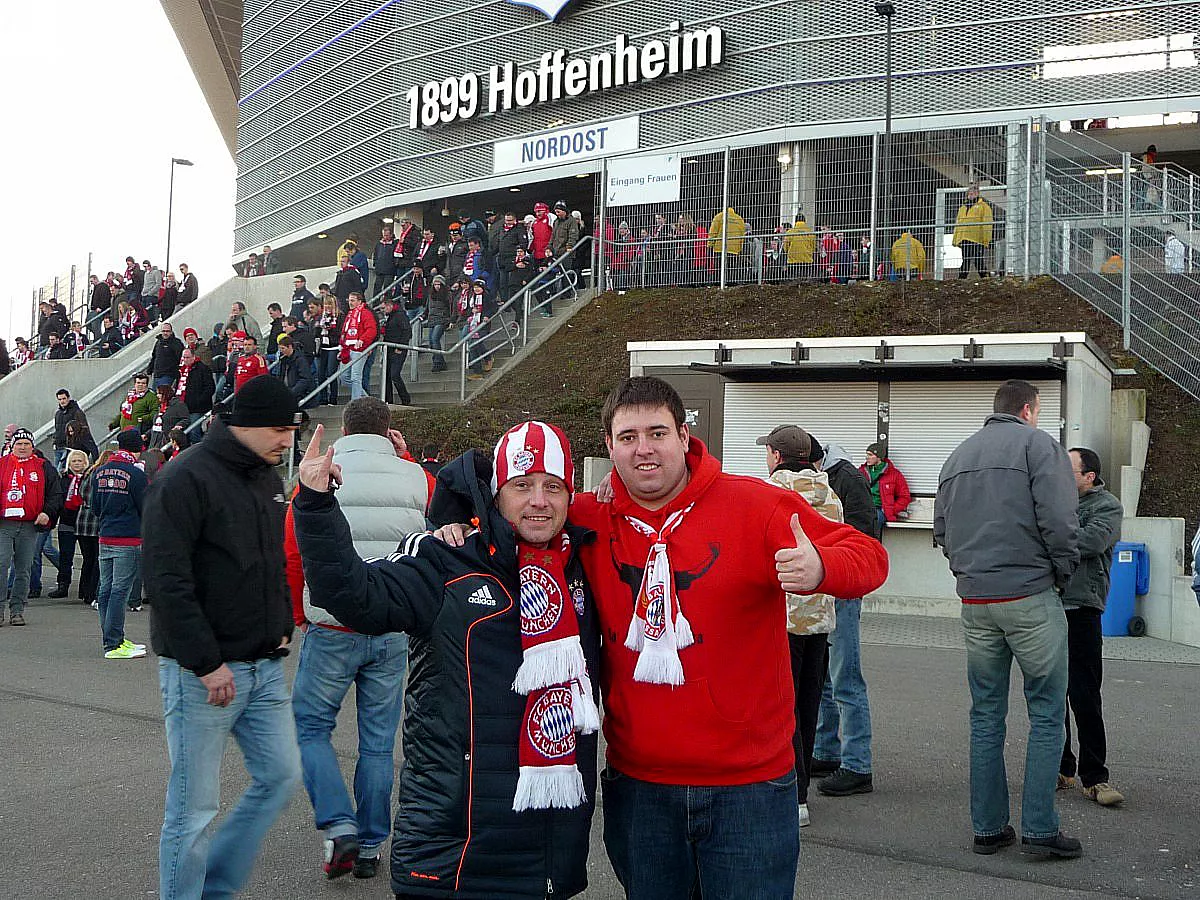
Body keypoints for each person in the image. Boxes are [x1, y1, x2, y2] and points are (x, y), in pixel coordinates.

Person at [569, 376, 888, 898]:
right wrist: (446, 519)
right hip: (641, 788)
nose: (644, 449)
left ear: (684, 436)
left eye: (657, 433)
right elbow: (511, 511)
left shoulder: (754, 505)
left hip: (750, 790)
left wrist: (821, 565)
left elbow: (870, 557)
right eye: (628, 437)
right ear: (609, 446)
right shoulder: (589, 517)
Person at [292, 419, 601, 898]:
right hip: (451, 850)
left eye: (553, 487)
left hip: (546, 853)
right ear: (496, 493)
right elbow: (355, 596)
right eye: (523, 485)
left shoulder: (588, 565)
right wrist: (315, 505)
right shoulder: (445, 559)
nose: (539, 500)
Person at [144, 375, 304, 900]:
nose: (287, 440)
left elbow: (271, 561)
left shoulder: (264, 477)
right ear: (244, 424)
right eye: (280, 430)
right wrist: (205, 662)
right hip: (204, 676)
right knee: (193, 808)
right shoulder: (183, 478)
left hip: (263, 666)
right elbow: (166, 580)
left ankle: (214, 886)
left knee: (281, 776)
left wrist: (282, 621)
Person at [934, 379, 1082, 858]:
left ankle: (989, 828)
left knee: (985, 714)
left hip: (976, 601)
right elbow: (1060, 520)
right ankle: (1039, 830)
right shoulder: (1041, 446)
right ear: (1029, 409)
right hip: (1030, 595)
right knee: (1045, 713)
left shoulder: (957, 455)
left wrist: (968, 575)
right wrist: (1061, 573)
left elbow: (942, 530)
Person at [285, 398, 430, 879]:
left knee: (310, 729)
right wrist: (406, 459)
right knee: (377, 742)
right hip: (391, 625)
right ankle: (370, 845)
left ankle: (338, 823)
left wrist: (299, 615)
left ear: (345, 428)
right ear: (389, 432)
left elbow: (294, 547)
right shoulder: (415, 477)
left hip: (331, 625)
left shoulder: (320, 471)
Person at [759, 425, 842, 829]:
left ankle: (786, 791)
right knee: (808, 705)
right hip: (820, 617)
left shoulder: (771, 493)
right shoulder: (830, 494)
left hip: (782, 617)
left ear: (776, 455)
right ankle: (802, 795)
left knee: (780, 707)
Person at [1059, 447, 1125, 807]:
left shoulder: (1107, 506)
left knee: (1084, 694)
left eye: (1068, 470)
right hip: (1050, 604)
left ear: (1089, 476)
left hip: (1082, 607)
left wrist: (1053, 536)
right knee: (1051, 693)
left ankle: (1095, 777)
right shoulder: (1053, 501)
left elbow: (1092, 541)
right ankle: (1061, 767)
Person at [91, 429, 149, 658]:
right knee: (119, 590)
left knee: (106, 588)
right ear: (137, 449)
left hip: (105, 535)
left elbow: (95, 506)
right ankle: (113, 643)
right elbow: (145, 505)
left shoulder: (100, 471)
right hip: (128, 537)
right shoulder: (135, 474)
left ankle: (112, 638)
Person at [0, 429, 63, 626]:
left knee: (24, 569)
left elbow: (56, 494)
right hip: (5, 524)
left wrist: (47, 512)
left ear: (32, 446)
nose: (22, 448)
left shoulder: (43, 467)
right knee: (1, 566)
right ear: (12, 445)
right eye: (19, 444)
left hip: (29, 526)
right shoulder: (2, 465)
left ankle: (17, 610)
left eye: (26, 444)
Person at [860, 441, 912, 534]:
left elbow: (904, 496)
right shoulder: (860, 472)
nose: (867, 457)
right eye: (866, 454)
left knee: (873, 524)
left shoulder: (894, 474)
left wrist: (890, 510)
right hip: (863, 508)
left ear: (879, 457)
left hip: (879, 510)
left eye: (870, 455)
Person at [339, 291, 377, 401]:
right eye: (349, 300)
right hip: (347, 349)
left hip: (359, 349)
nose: (350, 303)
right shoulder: (350, 314)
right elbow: (344, 332)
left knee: (356, 377)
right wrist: (341, 346)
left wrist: (363, 340)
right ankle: (367, 399)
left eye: (353, 300)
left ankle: (355, 402)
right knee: (343, 377)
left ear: (359, 301)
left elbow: (372, 329)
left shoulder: (365, 313)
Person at [377, 295, 412, 405]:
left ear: (390, 306)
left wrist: (400, 347)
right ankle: (388, 400)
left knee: (394, 374)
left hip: (397, 349)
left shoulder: (400, 315)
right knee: (387, 375)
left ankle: (405, 398)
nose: (382, 311)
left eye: (384, 308)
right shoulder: (390, 317)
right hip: (389, 348)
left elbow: (407, 331)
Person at [953, 185, 993, 279]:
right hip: (965, 238)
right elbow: (958, 223)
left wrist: (986, 239)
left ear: (977, 194)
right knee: (966, 259)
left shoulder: (984, 207)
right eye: (969, 194)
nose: (970, 195)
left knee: (978, 260)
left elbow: (987, 223)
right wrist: (956, 239)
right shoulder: (963, 208)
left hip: (977, 238)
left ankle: (984, 277)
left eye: (973, 193)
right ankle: (963, 278)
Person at [177, 348, 215, 436]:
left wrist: (198, 401)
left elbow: (210, 388)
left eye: (187, 357)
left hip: (198, 409)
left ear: (193, 357)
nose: (185, 360)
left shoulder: (203, 369)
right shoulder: (181, 370)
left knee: (194, 432)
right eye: (184, 357)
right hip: (183, 408)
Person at [54, 389, 96, 468]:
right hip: (58, 446)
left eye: (64, 398)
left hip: (70, 448)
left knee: (61, 469)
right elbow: (57, 429)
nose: (62, 401)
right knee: (57, 472)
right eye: (60, 399)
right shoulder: (58, 413)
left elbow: (84, 430)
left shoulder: (77, 412)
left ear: (68, 398)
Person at [148, 385, 190, 450]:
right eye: (157, 393)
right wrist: (146, 434)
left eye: (159, 393)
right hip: (154, 442)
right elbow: (155, 425)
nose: (157, 396)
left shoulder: (178, 404)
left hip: (168, 443)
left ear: (166, 393)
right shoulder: (160, 406)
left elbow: (186, 419)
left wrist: (179, 425)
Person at [147, 322, 185, 388]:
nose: (165, 333)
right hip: (156, 375)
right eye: (163, 331)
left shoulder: (176, 343)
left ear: (171, 332)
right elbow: (154, 357)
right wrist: (149, 370)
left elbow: (181, 359)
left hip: (168, 376)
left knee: (164, 396)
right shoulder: (158, 342)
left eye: (167, 331)